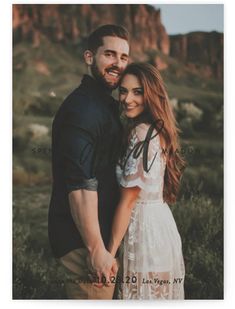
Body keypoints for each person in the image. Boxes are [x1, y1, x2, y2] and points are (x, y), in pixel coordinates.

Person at [48, 24, 130, 299]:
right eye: (109, 54)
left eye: (123, 57)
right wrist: (95, 248)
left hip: (102, 239)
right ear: (88, 57)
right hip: (84, 244)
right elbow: (80, 183)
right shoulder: (82, 110)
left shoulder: (103, 105)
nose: (117, 64)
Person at [107, 62, 186, 299]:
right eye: (123, 90)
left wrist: (108, 255)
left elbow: (128, 201)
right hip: (159, 227)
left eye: (137, 91)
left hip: (145, 236)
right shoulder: (153, 129)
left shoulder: (142, 133)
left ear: (151, 94)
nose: (127, 99)